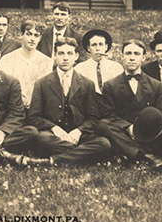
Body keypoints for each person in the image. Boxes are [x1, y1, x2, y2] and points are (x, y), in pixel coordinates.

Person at [97, 39, 162, 169]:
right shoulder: (111, 85)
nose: (132, 58)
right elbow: (108, 114)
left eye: (136, 54)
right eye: (128, 54)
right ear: (122, 57)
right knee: (103, 125)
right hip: (125, 133)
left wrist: (151, 124)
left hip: (151, 133)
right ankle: (147, 155)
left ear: (143, 57)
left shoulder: (155, 84)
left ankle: (132, 152)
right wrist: (128, 128)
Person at [27, 37, 111, 166]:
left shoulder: (87, 84)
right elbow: (34, 116)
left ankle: (53, 160)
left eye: (69, 53)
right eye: (61, 53)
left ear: (76, 56)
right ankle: (85, 155)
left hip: (78, 136)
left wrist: (79, 131)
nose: (65, 58)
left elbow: (93, 117)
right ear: (55, 56)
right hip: (53, 136)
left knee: (104, 143)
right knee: (42, 139)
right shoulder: (42, 83)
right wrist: (54, 128)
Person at [0, 20, 52, 109]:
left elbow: (46, 90)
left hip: (37, 108)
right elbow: (2, 88)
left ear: (40, 38)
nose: (32, 39)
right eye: (29, 34)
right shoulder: (6, 59)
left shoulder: (47, 62)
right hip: (11, 107)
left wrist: (33, 99)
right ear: (21, 35)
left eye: (36, 35)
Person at [75, 29, 124, 96]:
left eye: (101, 44)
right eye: (94, 45)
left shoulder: (117, 68)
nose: (97, 48)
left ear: (106, 47)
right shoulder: (79, 69)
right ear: (88, 48)